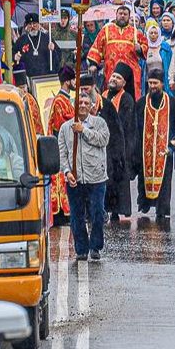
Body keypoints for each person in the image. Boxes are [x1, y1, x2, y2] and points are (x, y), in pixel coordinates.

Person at [59, 84, 111, 261]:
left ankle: (95, 246)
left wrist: (84, 131)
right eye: (79, 102)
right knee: (77, 216)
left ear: (91, 106)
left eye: (85, 102)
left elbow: (103, 140)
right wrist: (67, 172)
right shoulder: (66, 127)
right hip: (75, 179)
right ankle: (81, 249)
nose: (82, 105)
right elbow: (62, 152)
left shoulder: (99, 123)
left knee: (97, 213)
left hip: (96, 177)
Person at [138, 69, 175, 223]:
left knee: (165, 180)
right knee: (144, 178)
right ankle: (146, 205)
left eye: (155, 83)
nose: (153, 86)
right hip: (146, 150)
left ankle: (162, 210)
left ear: (162, 83)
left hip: (165, 151)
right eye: (150, 83)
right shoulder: (142, 103)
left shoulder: (172, 103)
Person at [99, 69, 140, 222]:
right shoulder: (102, 95)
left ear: (124, 83)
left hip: (118, 145)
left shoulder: (127, 99)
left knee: (116, 179)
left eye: (118, 77)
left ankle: (115, 212)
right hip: (102, 144)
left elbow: (127, 127)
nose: (114, 79)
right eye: (113, 76)